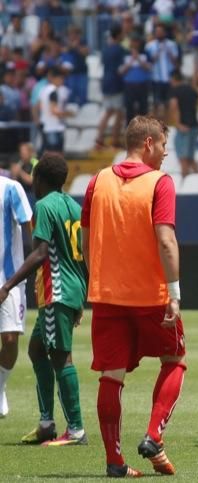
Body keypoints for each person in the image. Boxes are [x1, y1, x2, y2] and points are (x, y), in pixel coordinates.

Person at [81, 116, 185, 477]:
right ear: (149, 144)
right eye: (163, 146)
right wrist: (174, 292)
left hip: (107, 296)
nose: (166, 153)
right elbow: (166, 240)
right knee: (175, 359)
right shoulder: (160, 183)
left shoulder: (96, 182)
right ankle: (154, 436)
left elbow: (85, 240)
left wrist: (98, 280)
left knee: (111, 377)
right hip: (151, 296)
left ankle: (114, 462)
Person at [0, 153, 87, 445]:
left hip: (57, 290)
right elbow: (84, 253)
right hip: (71, 289)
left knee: (60, 356)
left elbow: (39, 254)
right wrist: (82, 297)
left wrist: (8, 285)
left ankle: (75, 429)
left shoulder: (45, 206)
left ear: (39, 179)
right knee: (37, 349)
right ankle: (47, 423)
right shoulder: (73, 207)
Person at [0, 174, 32, 418]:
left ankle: (0, 387)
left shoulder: (11, 188)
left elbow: (27, 228)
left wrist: (17, 278)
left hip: (8, 278)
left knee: (10, 340)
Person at [96, 23, 126, 149]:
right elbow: (120, 69)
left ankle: (99, 138)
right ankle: (115, 140)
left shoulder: (105, 49)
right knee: (119, 112)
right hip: (116, 83)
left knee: (108, 112)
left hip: (105, 82)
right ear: (119, 34)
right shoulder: (119, 49)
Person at [145, 24, 179, 120]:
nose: (159, 33)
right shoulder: (150, 46)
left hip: (169, 79)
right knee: (156, 103)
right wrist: (157, 54)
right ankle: (155, 124)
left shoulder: (172, 45)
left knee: (168, 103)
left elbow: (176, 62)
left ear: (165, 33)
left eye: (161, 31)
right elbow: (148, 63)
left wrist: (169, 53)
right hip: (156, 79)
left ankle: (167, 124)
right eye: (157, 32)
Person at [40, 67, 72, 155]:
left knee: (48, 152)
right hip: (54, 127)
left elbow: (40, 106)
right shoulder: (53, 91)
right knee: (56, 154)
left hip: (46, 125)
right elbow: (54, 110)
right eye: (61, 78)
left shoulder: (44, 90)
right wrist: (68, 114)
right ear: (55, 78)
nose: (62, 81)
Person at [120, 38, 152, 125]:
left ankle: (143, 128)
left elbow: (149, 68)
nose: (134, 43)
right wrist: (131, 61)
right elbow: (121, 71)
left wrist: (138, 58)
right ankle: (129, 129)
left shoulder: (146, 54)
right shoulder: (125, 53)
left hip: (142, 84)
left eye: (136, 41)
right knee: (129, 109)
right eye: (133, 41)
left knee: (143, 108)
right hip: (129, 85)